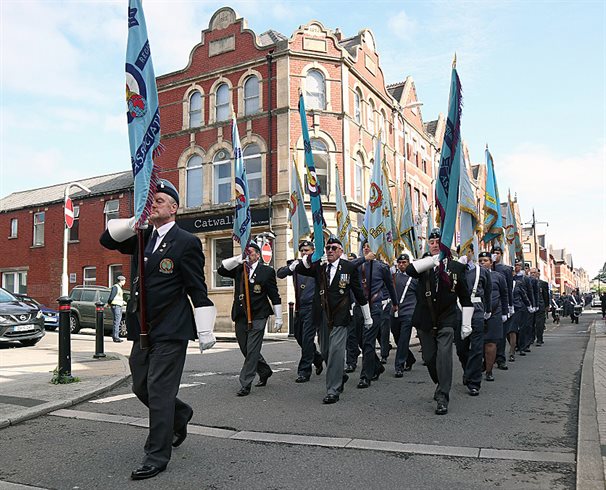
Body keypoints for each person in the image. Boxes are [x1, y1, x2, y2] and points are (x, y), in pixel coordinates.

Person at [99, 179, 216, 480]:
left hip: (172, 328)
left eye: (160, 200)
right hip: (143, 328)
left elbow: (197, 288)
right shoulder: (142, 236)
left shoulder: (186, 242)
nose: (154, 204)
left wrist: (205, 330)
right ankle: (181, 414)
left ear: (174, 208)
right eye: (152, 200)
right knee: (141, 386)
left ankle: (156, 455)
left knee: (160, 392)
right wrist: (134, 219)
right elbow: (106, 241)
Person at [295, 237, 372, 403]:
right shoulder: (320, 266)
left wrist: (367, 316)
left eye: (333, 248)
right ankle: (340, 375)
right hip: (322, 315)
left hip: (341, 315)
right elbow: (300, 268)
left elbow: (359, 292)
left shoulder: (349, 267)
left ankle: (333, 390)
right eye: (328, 247)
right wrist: (311, 257)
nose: (329, 250)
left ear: (340, 251)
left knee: (336, 352)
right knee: (326, 352)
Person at [406, 228, 472, 415]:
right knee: (429, 358)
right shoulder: (423, 264)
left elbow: (465, 297)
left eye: (438, 242)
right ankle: (440, 382)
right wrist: (430, 261)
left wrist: (466, 322)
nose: (435, 245)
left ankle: (443, 395)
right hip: (425, 319)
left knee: (444, 356)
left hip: (447, 318)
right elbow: (409, 270)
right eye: (432, 242)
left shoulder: (456, 267)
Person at [218, 242, 282, 397]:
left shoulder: (266, 271)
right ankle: (264, 370)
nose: (248, 255)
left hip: (259, 314)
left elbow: (274, 295)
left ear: (258, 255)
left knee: (252, 350)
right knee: (245, 348)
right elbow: (221, 269)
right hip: (241, 314)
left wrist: (279, 317)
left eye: (250, 252)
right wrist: (239, 258)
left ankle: (245, 383)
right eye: (246, 252)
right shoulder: (239, 269)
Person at [276, 240, 323, 383]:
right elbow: (280, 274)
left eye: (307, 251)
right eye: (302, 250)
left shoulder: (317, 265)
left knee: (308, 339)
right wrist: (291, 267)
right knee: (298, 336)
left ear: (313, 252)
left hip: (312, 307)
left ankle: (304, 370)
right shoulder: (296, 264)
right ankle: (316, 357)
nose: (304, 253)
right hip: (299, 307)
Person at [355, 240, 397, 389]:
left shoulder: (382, 267)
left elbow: (390, 285)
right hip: (360, 307)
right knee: (360, 340)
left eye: (369, 246)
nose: (366, 248)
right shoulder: (358, 265)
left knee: (368, 340)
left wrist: (395, 302)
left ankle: (365, 376)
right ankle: (377, 365)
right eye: (364, 246)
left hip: (375, 307)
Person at [454, 244, 492, 396]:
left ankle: (474, 382)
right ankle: (468, 371)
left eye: (467, 251)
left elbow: (487, 292)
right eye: (461, 252)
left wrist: (488, 310)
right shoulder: (453, 271)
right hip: (459, 311)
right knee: (461, 349)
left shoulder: (481, 272)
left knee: (476, 348)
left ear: (471, 252)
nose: (465, 254)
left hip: (476, 311)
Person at [478, 252, 508, 382]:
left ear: (491, 262)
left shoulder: (499, 277)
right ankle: (478, 367)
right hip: (478, 312)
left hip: (495, 313)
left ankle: (489, 371)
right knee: (478, 343)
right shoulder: (474, 275)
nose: (482, 262)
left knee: (491, 343)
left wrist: (506, 312)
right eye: (480, 260)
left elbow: (504, 294)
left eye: (485, 260)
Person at [391, 254, 417, 377]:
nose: (402, 265)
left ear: (409, 263)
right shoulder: (394, 277)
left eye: (404, 262)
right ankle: (410, 358)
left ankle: (399, 366)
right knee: (397, 337)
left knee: (403, 339)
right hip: (395, 312)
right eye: (400, 262)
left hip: (409, 312)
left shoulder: (415, 279)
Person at [491, 246, 514, 371]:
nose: (495, 255)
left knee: (500, 335)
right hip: (488, 306)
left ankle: (500, 359)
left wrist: (509, 306)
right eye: (493, 253)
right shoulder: (486, 269)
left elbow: (508, 289)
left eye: (497, 253)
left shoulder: (505, 270)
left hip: (500, 305)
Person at [511, 259, 532, 362]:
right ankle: (515, 345)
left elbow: (529, 292)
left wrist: (531, 304)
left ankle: (522, 347)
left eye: (519, 265)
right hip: (513, 306)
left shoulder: (525, 278)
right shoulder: (511, 277)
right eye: (515, 265)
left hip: (522, 305)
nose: (517, 267)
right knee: (512, 329)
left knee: (523, 327)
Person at [531, 268, 550, 346]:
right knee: (531, 323)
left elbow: (546, 295)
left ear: (538, 274)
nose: (532, 274)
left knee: (539, 323)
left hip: (540, 305)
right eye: (531, 273)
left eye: (534, 273)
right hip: (531, 306)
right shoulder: (527, 282)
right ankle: (531, 338)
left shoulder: (543, 283)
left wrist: (547, 305)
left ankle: (539, 339)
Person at [107, 275, 127, 342]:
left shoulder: (119, 287)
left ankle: (116, 336)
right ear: (121, 281)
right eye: (124, 280)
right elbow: (111, 297)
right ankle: (116, 337)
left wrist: (123, 302)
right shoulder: (115, 287)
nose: (125, 282)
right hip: (116, 306)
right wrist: (109, 303)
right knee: (117, 321)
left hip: (118, 305)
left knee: (117, 321)